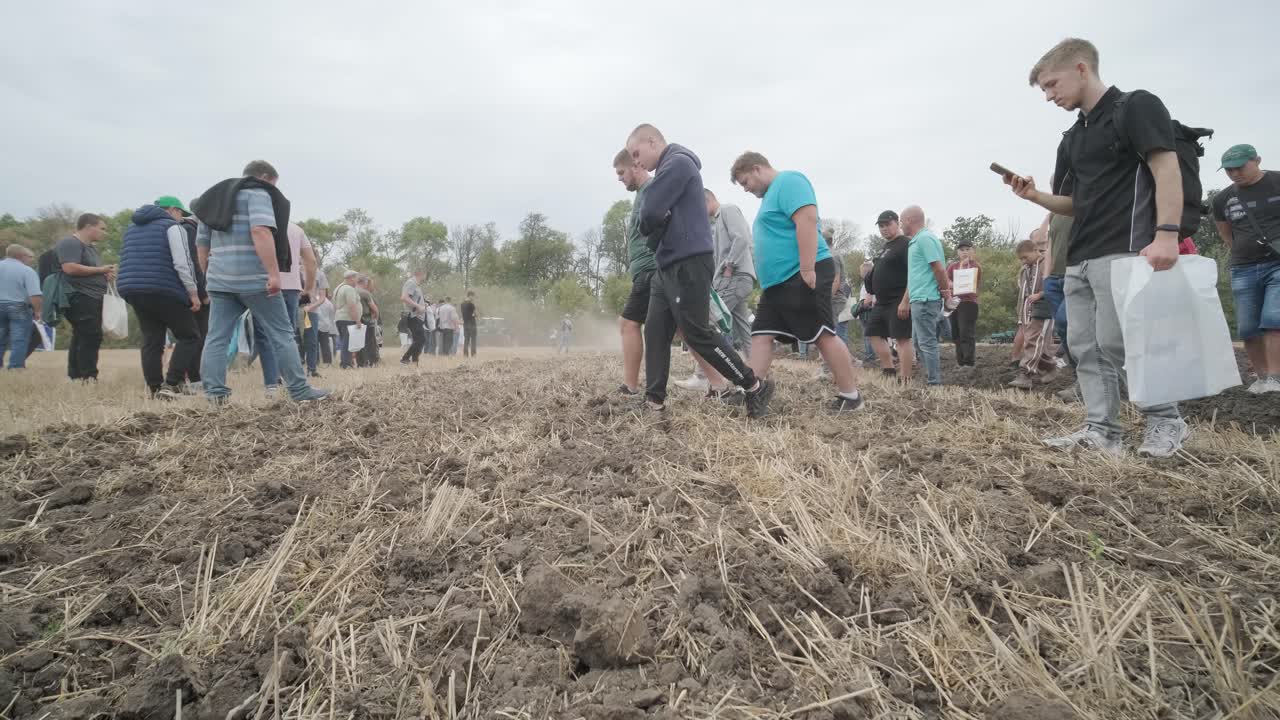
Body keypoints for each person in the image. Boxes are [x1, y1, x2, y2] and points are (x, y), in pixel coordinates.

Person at [1005, 37, 1188, 456]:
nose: (1050, 96)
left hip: (1126, 248)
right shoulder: (1072, 137)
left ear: (1082, 68)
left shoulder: (1136, 107)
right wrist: (1034, 197)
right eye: (1045, 90)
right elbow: (1072, 203)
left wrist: (1167, 234)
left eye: (1053, 85)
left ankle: (1167, 421)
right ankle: (1102, 431)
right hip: (1080, 256)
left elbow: (1166, 168)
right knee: (1084, 345)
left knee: (1121, 342)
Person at [625, 124, 767, 414]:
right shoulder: (667, 170)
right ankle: (654, 401)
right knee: (655, 331)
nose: (635, 161)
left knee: (696, 332)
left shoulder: (677, 163)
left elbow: (649, 214)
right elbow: (650, 231)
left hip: (689, 260)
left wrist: (652, 219)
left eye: (637, 153)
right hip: (666, 264)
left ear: (653, 142)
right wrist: (652, 223)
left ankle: (753, 385)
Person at [729, 152, 863, 412]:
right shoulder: (770, 197)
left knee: (821, 334)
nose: (746, 190)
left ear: (756, 169)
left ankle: (851, 396)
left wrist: (807, 268)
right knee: (761, 334)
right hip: (777, 283)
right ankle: (752, 389)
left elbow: (807, 220)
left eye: (745, 182)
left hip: (800, 273)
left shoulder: (790, 181)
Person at [192, 160, 328, 404]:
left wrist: (207, 277)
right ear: (264, 177)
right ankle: (299, 390)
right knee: (282, 334)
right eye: (273, 185)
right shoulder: (257, 194)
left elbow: (202, 245)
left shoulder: (213, 198)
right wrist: (274, 273)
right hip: (255, 279)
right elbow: (260, 232)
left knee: (217, 337)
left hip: (220, 281)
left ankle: (214, 394)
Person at [117, 196, 204, 398]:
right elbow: (183, 263)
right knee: (189, 336)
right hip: (163, 288)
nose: (181, 218)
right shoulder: (172, 227)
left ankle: (154, 388)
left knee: (152, 340)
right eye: (181, 213)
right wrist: (194, 293)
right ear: (172, 210)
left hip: (132, 289)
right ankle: (171, 384)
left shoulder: (132, 229)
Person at [1213, 144, 1280, 393]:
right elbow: (1226, 234)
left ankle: (1276, 378)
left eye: (1240, 167)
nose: (1234, 174)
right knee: (1248, 327)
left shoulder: (1277, 181)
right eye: (1229, 170)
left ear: (1257, 160)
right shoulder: (1222, 199)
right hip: (1244, 267)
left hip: (1277, 263)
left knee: (1274, 318)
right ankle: (1262, 378)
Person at [614, 148, 658, 395]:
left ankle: (630, 387)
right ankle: (717, 383)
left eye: (621, 172)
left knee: (628, 323)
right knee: (686, 329)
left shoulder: (650, 190)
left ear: (636, 166)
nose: (619, 178)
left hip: (650, 270)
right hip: (649, 271)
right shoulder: (644, 193)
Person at [56, 213, 113, 381]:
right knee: (90, 335)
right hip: (80, 296)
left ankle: (76, 375)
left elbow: (90, 271)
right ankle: (88, 375)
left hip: (92, 296)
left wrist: (105, 275)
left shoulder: (91, 248)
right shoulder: (70, 243)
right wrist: (101, 270)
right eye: (102, 228)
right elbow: (69, 268)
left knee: (82, 335)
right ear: (89, 227)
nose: (105, 233)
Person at [898, 206, 950, 386]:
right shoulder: (917, 241)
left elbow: (939, 268)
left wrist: (945, 292)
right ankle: (929, 378)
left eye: (901, 221)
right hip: (919, 299)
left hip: (926, 300)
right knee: (920, 344)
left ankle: (934, 384)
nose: (900, 225)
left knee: (927, 343)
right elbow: (916, 276)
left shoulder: (925, 239)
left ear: (909, 220)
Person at [865, 211, 916, 381]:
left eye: (888, 224)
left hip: (898, 299)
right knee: (873, 332)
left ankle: (906, 377)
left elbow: (913, 274)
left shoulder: (906, 244)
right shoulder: (885, 247)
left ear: (897, 223)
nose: (884, 228)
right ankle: (889, 370)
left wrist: (905, 301)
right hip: (881, 301)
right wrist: (869, 293)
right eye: (881, 226)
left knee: (902, 338)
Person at [1009, 239, 1059, 389]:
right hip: (1029, 309)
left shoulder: (1047, 264)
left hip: (1044, 307)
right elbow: (1023, 292)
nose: (1024, 261)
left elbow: (1055, 285)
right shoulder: (1025, 269)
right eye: (1021, 259)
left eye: (1026, 257)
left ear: (1036, 250)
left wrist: (1040, 294)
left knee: (1034, 340)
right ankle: (1050, 367)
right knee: (1036, 343)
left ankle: (1026, 373)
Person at [0, 244, 43, 369]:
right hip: (18, 306)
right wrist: (37, 311)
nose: (31, 260)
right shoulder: (27, 270)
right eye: (30, 257)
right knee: (19, 339)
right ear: (21, 256)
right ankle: (15, 367)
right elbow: (35, 295)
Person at [946, 240, 981, 369]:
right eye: (962, 250)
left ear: (972, 251)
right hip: (953, 302)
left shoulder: (975, 266)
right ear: (958, 252)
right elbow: (946, 280)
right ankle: (960, 361)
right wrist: (950, 284)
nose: (964, 252)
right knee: (955, 333)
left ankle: (969, 361)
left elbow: (968, 280)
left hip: (968, 302)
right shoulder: (952, 266)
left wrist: (962, 267)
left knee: (966, 332)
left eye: (967, 249)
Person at [300, 265, 327, 377]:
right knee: (294, 340)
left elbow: (322, 297)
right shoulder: (292, 270)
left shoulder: (319, 274)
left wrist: (311, 307)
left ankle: (312, 369)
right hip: (293, 309)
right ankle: (295, 371)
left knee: (311, 341)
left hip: (311, 311)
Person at [332, 270, 363, 369]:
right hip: (347, 318)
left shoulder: (338, 288)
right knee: (347, 342)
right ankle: (346, 364)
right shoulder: (349, 289)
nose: (356, 282)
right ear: (351, 278)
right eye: (356, 279)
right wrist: (357, 320)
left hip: (339, 318)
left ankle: (346, 362)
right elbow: (351, 305)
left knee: (344, 341)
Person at [400, 269, 428, 364]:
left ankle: (415, 361)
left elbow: (413, 298)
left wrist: (423, 304)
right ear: (420, 274)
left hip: (418, 316)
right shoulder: (411, 283)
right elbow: (404, 297)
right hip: (413, 316)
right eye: (425, 274)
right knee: (421, 339)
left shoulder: (416, 285)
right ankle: (405, 358)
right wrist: (418, 306)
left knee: (418, 340)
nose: (425, 276)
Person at [855, 261, 877, 367]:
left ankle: (870, 356)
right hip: (872, 311)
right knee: (872, 335)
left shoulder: (867, 285)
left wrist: (858, 307)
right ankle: (872, 355)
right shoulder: (875, 282)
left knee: (868, 335)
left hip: (867, 313)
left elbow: (867, 301)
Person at [356, 275, 380, 366]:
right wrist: (376, 317)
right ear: (364, 283)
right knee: (370, 342)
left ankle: (361, 362)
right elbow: (374, 307)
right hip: (366, 318)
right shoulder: (365, 293)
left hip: (356, 319)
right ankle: (371, 361)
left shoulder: (352, 291)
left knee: (359, 342)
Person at [314, 294, 336, 367]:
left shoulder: (314, 299)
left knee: (315, 344)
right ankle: (327, 362)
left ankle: (316, 361)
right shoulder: (328, 302)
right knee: (325, 344)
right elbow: (332, 314)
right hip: (325, 325)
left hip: (315, 324)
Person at [461, 289, 478, 357]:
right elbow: (475, 314)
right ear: (470, 295)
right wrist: (475, 315)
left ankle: (465, 354)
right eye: (473, 296)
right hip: (472, 324)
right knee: (473, 340)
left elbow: (464, 314)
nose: (473, 298)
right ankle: (473, 354)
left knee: (466, 340)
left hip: (465, 324)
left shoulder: (462, 304)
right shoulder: (471, 304)